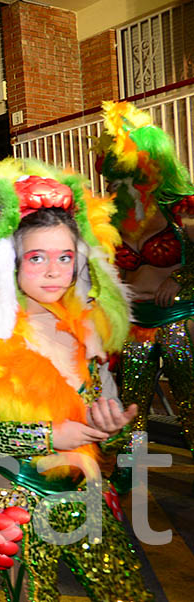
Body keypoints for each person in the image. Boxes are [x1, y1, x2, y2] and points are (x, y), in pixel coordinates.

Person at [0, 159, 152, 602]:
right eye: (37, 258)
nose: (54, 271)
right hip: (17, 501)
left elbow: (101, 418)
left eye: (65, 258)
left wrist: (111, 427)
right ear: (10, 263)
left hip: (85, 490)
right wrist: (47, 435)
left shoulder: (86, 331)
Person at [93, 101, 194, 493]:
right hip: (136, 325)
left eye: (125, 179)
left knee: (190, 400)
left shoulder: (178, 208)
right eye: (112, 181)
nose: (117, 189)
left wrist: (183, 277)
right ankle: (127, 469)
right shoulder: (109, 219)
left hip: (178, 319)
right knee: (132, 405)